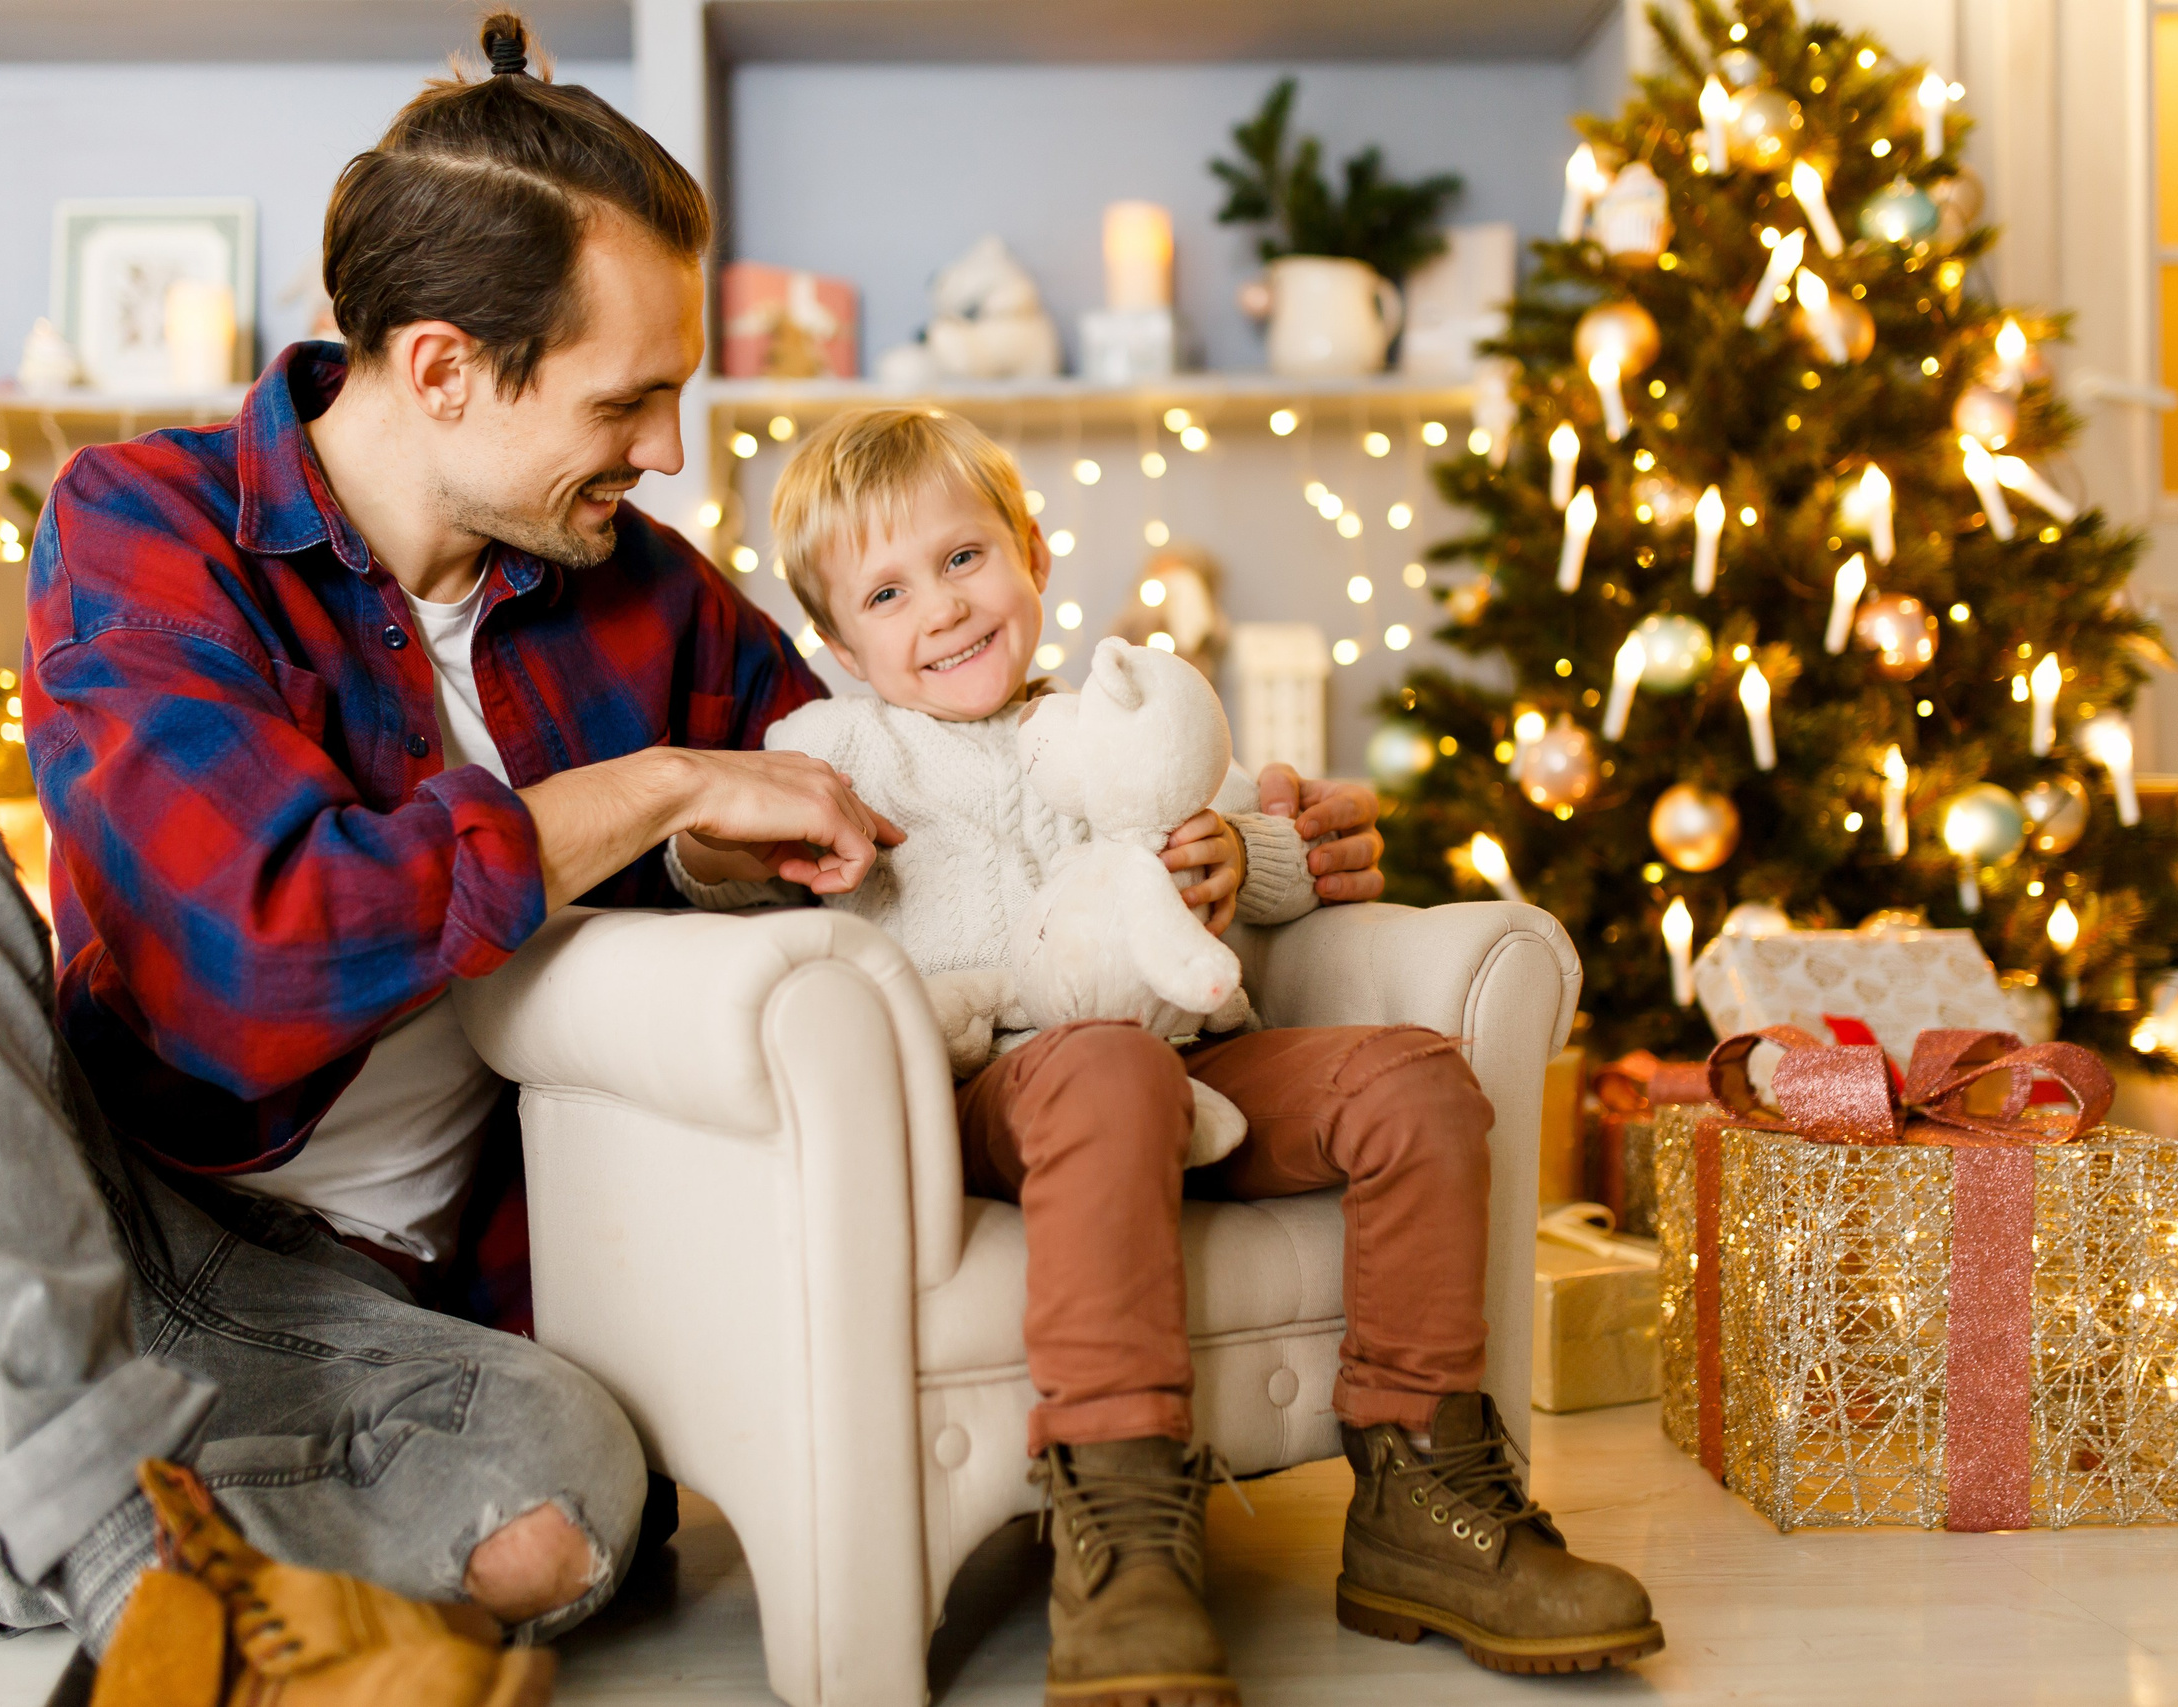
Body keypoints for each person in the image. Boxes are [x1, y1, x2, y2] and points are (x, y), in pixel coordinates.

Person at [0, 14, 921, 1701]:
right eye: (631, 397)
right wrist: (650, 796)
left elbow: (875, 783)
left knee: (572, 1517)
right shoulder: (144, 524)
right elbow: (252, 962)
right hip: (52, 1199)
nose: (668, 450)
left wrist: (1202, 835)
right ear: (444, 367)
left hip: (339, 1312)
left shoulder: (649, 599)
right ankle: (118, 1565)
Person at [671, 406, 1663, 1704]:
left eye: (967, 558)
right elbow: (720, 863)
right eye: (890, 591)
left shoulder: (1121, 716)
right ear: (841, 640)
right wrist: (732, 847)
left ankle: (1427, 1490)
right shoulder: (841, 747)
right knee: (1104, 1067)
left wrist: (1238, 857)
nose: (946, 609)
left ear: (1031, 550)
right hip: (995, 1083)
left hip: (1197, 1065)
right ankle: (1124, 1528)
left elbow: (1277, 859)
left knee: (1417, 1079)